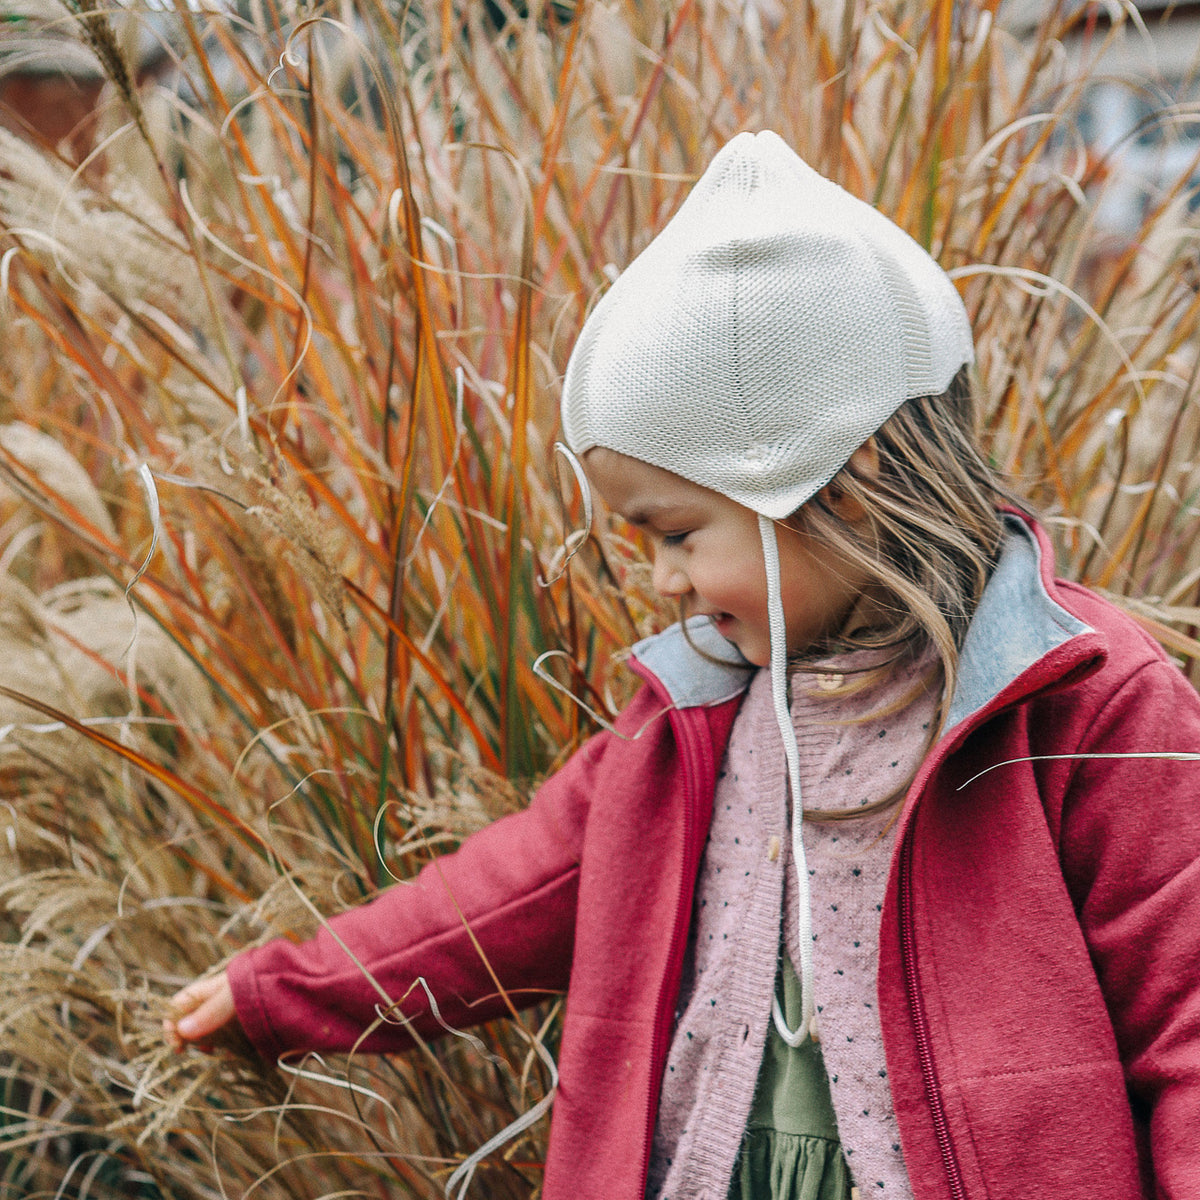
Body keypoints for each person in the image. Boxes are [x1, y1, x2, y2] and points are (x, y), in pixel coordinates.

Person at [166, 131, 1200, 1199]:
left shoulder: (1080, 698)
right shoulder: (693, 717)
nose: (661, 582)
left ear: (837, 487)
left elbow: (1189, 1022)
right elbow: (501, 898)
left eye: (675, 533)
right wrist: (288, 989)